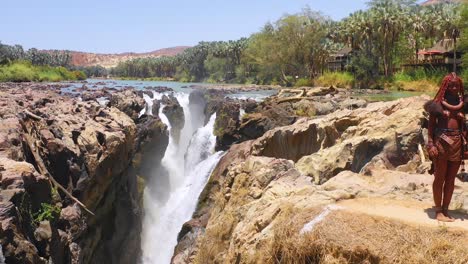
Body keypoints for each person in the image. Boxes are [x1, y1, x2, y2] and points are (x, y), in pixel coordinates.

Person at [425, 72, 465, 222]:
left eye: (456, 85)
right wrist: (430, 144)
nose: (454, 87)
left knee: (450, 180)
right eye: (451, 85)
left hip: (457, 144)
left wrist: (462, 119)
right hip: (441, 143)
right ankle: (438, 211)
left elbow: (463, 127)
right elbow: (430, 127)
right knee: (439, 178)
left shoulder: (463, 105)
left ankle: (446, 209)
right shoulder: (437, 104)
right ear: (445, 86)